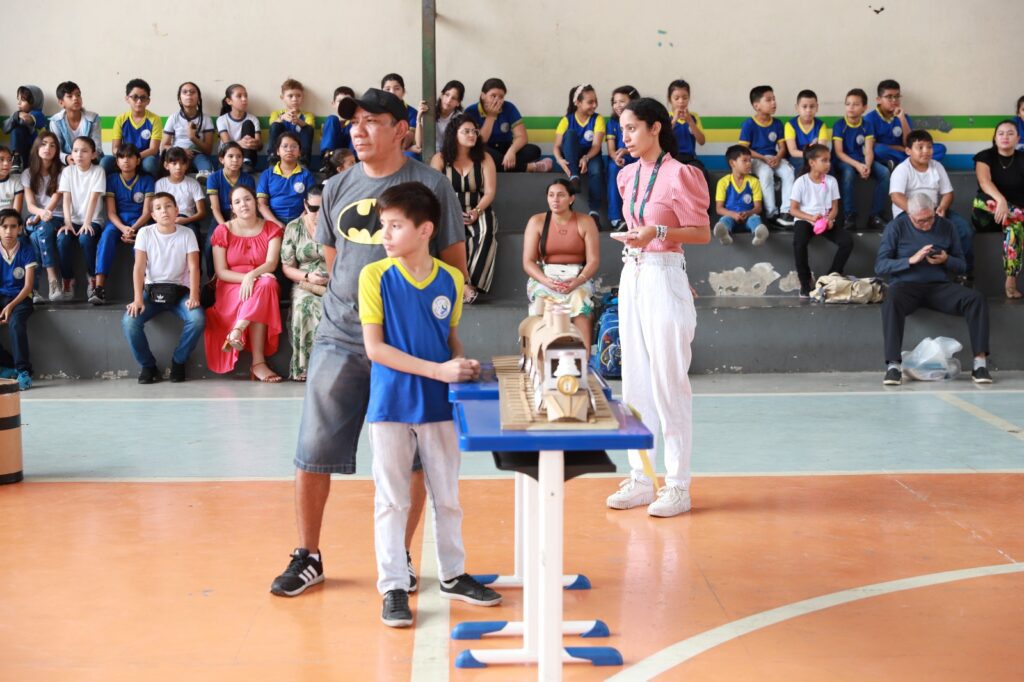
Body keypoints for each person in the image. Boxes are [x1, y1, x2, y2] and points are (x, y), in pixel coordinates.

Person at [270, 88, 468, 598]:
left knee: (417, 457)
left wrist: (439, 342)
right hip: (340, 337)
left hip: (413, 348)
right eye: (353, 122)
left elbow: (453, 270)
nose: (357, 130)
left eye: (371, 121)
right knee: (313, 447)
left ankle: (398, 556)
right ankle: (308, 554)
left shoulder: (432, 185)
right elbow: (337, 267)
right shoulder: (336, 186)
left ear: (401, 128)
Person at [359, 181, 501, 627]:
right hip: (391, 404)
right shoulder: (374, 276)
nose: (385, 234)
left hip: (440, 403)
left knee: (448, 496)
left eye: (395, 225)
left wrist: (461, 363)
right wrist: (439, 371)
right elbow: (375, 349)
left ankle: (453, 574)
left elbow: (448, 338)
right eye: (384, 225)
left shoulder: (451, 279)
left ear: (425, 230)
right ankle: (394, 587)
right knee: (392, 499)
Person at [605, 97, 710, 518]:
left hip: (665, 273)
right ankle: (642, 477)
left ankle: (678, 484)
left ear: (654, 128)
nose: (624, 137)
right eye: (622, 129)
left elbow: (701, 233)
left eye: (631, 128)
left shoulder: (682, 175)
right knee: (636, 382)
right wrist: (638, 236)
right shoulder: (627, 176)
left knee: (669, 381)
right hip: (633, 273)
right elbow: (639, 227)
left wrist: (658, 230)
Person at [876, 192, 991, 386]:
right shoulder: (896, 226)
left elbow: (962, 265)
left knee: (976, 299)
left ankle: (980, 363)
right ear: (910, 216)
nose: (927, 225)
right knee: (891, 300)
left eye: (930, 219)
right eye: (920, 221)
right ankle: (893, 365)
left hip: (939, 286)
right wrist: (910, 261)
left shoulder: (947, 226)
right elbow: (880, 266)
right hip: (906, 286)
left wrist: (946, 259)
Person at [122, 192, 204, 384]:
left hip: (180, 292)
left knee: (197, 319)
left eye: (168, 206)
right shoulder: (145, 233)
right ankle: (148, 366)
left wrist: (194, 295)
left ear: (177, 211)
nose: (164, 211)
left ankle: (178, 361)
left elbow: (194, 267)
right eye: (158, 208)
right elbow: (139, 268)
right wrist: (137, 298)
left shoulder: (187, 233)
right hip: (152, 291)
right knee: (129, 322)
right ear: (153, 214)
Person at [204, 184, 284, 382]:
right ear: (232, 207)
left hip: (261, 278)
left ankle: (237, 330)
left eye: (247, 199)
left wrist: (253, 275)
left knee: (267, 285)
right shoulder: (223, 231)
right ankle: (258, 363)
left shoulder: (271, 228)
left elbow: (271, 263)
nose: (243, 204)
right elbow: (221, 272)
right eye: (237, 202)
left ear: (256, 201)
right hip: (231, 285)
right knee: (264, 287)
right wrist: (247, 278)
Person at [890, 130, 974, 283]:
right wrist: (915, 213)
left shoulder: (937, 166)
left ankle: (964, 274)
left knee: (964, 230)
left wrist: (942, 207)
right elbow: (896, 196)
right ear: (908, 151)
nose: (926, 151)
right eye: (920, 147)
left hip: (935, 211)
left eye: (929, 147)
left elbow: (948, 193)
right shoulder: (902, 170)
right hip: (908, 213)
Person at [430, 114, 498, 302]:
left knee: (485, 232)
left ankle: (471, 284)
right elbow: (434, 191)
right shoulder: (440, 158)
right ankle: (463, 285)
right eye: (466, 131)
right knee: (449, 237)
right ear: (454, 135)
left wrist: (476, 211)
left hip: (479, 207)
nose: (472, 135)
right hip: (447, 208)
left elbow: (490, 192)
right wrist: (450, 212)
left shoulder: (485, 158)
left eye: (474, 132)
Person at [522, 178, 600, 342]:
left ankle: (583, 360)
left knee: (580, 304)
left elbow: (593, 260)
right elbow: (528, 261)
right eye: (551, 195)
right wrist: (547, 281)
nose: (555, 200)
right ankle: (542, 358)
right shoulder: (536, 221)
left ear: (571, 198)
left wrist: (578, 280)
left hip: (577, 277)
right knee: (542, 304)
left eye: (561, 195)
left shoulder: (585, 221)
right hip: (545, 277)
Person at [96, 144, 155, 305]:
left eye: (130, 157)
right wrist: (123, 228)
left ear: (138, 161)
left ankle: (145, 290)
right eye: (122, 157)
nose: (126, 160)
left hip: (140, 222)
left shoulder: (147, 180)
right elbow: (111, 212)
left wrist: (134, 229)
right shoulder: (112, 180)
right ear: (116, 162)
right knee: (107, 235)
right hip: (118, 222)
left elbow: (147, 212)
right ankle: (99, 287)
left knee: (144, 240)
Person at [789, 144, 850, 297]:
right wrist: (810, 217)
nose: (829, 164)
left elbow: (835, 207)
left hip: (824, 221)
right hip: (805, 220)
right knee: (799, 243)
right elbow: (793, 210)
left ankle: (830, 277)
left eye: (829, 160)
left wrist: (829, 219)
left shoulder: (831, 181)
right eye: (824, 160)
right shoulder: (801, 182)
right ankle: (805, 282)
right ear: (812, 162)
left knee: (847, 242)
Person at [972, 119, 1024, 298]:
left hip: (1014, 216)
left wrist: (1009, 208)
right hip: (987, 215)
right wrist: (1000, 200)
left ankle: (1010, 279)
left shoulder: (1022, 159)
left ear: (1018, 138)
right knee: (984, 201)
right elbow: (984, 181)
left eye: (1010, 133)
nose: (1005, 137)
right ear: (994, 137)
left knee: (1015, 224)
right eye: (1001, 133)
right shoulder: (984, 156)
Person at [281, 184, 328, 381]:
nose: (318, 213)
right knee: (305, 306)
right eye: (314, 208)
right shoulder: (294, 227)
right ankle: (306, 369)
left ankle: (332, 369)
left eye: (323, 208)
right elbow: (287, 267)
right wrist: (308, 277)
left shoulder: (339, 225)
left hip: (335, 280)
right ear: (305, 205)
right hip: (304, 281)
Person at [463, 78, 551, 173]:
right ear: (483, 96)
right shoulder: (471, 111)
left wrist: (511, 151)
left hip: (506, 147)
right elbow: (480, 141)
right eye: (493, 96)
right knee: (480, 152)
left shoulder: (509, 107)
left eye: (501, 97)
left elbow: (522, 137)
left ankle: (500, 165)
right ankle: (530, 167)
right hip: (486, 148)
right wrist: (491, 116)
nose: (497, 100)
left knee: (534, 150)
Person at [57, 136, 106, 302]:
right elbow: (66, 199)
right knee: (62, 239)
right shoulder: (67, 171)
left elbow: (93, 199)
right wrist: (67, 222)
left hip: (93, 219)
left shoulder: (98, 171)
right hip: (73, 219)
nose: (79, 154)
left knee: (85, 238)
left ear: (93, 154)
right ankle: (68, 279)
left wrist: (86, 222)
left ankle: (92, 277)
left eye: (84, 151)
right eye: (75, 150)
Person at [833, 88, 889, 230]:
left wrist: (868, 166)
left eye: (856, 104)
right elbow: (839, 153)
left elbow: (869, 150)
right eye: (848, 104)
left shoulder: (867, 125)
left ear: (864, 108)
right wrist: (858, 166)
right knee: (849, 173)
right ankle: (849, 216)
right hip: (843, 161)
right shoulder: (839, 125)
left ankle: (875, 215)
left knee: (884, 173)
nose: (851, 107)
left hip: (860, 160)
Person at [739, 85, 795, 227]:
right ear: (757, 105)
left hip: (773, 158)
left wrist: (777, 157)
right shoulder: (749, 124)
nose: (774, 103)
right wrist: (764, 158)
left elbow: (782, 147)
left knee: (788, 172)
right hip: (756, 159)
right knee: (766, 173)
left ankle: (786, 211)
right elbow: (744, 149)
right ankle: (771, 214)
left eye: (774, 99)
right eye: (769, 100)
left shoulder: (777, 124)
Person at [553, 84, 606, 222]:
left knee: (596, 169)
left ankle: (594, 212)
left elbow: (596, 145)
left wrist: (586, 157)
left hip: (591, 155)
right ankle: (574, 177)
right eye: (590, 102)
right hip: (572, 157)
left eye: (596, 101)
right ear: (577, 103)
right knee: (570, 134)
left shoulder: (598, 119)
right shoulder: (566, 120)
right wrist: (559, 160)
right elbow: (557, 146)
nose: (594, 105)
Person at [22, 132, 64, 302]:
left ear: (57, 150)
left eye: (52, 145)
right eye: (44, 144)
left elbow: (55, 200)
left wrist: (42, 215)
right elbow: (31, 205)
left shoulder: (62, 172)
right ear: (37, 147)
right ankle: (48, 282)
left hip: (56, 216)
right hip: (37, 217)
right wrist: (39, 214)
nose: (48, 148)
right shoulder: (27, 173)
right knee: (37, 232)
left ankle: (39, 286)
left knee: (37, 234)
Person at [865, 79, 946, 167]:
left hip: (906, 152)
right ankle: (913, 163)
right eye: (889, 97)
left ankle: (902, 164)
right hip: (890, 152)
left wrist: (902, 118)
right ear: (879, 100)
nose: (894, 100)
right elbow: (870, 145)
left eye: (897, 96)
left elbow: (909, 143)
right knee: (878, 150)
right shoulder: (870, 118)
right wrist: (898, 148)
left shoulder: (904, 116)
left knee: (940, 148)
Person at [0, 209, 35, 391]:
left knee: (15, 324)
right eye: (4, 226)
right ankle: (6, 365)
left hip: (21, 298)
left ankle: (23, 371)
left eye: (13, 226)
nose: (8, 231)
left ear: (20, 229)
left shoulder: (27, 250)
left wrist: (10, 307)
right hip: (2, 297)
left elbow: (28, 287)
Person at [101, 78, 162, 177]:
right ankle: (108, 191)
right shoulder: (120, 119)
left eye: (143, 98)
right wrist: (126, 157)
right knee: (105, 162)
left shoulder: (155, 119)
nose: (139, 101)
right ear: (127, 99)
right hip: (126, 157)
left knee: (149, 163)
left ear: (148, 101)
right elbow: (115, 148)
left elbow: (153, 149)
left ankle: (152, 189)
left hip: (145, 158)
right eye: (135, 97)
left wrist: (135, 158)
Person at [257, 132, 315, 227]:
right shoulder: (267, 174)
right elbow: (261, 204)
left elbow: (312, 202)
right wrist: (276, 223)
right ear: (278, 151)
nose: (289, 150)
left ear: (299, 152)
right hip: (272, 220)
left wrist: (301, 220)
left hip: (300, 220)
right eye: (285, 146)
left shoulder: (306, 175)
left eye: (294, 147)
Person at [712, 145, 767, 246]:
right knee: (724, 220)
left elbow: (758, 208)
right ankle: (724, 234)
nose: (749, 164)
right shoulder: (723, 182)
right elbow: (719, 209)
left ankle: (759, 234)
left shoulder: (754, 181)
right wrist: (733, 215)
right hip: (731, 217)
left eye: (750, 160)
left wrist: (748, 213)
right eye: (745, 160)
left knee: (754, 219)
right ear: (732, 163)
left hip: (748, 217)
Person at [160, 82, 215, 178]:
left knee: (207, 170)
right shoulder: (173, 118)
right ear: (179, 99)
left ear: (198, 98)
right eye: (185, 92)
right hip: (177, 154)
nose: (189, 94)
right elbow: (163, 146)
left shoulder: (206, 119)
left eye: (192, 92)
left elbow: (208, 150)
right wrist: (181, 150)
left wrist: (193, 138)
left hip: (197, 154)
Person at [155, 147, 207, 247]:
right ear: (166, 165)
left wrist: (186, 220)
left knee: (193, 236)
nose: (178, 167)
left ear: (186, 165)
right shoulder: (160, 184)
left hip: (188, 219)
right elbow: (157, 207)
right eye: (174, 164)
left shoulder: (193, 183)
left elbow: (202, 212)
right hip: (166, 219)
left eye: (182, 163)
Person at [606, 85, 640, 230]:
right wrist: (617, 157)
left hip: (637, 156)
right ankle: (616, 219)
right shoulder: (612, 123)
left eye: (622, 101)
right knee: (613, 168)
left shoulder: (640, 120)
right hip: (620, 159)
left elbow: (642, 144)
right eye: (614, 102)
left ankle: (639, 217)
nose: (617, 106)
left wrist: (627, 151)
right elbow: (611, 150)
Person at [49, 81, 102, 167]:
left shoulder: (93, 118)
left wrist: (84, 158)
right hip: (66, 161)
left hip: (89, 160)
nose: (75, 98)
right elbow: (56, 148)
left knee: (106, 162)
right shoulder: (56, 121)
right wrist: (66, 158)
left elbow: (97, 147)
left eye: (78, 95)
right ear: (61, 102)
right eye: (70, 96)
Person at [268, 79, 315, 167]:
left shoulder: (308, 115)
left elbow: (310, 128)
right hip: (282, 146)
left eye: (298, 96)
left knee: (308, 128)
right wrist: (282, 118)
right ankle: (273, 156)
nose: (295, 99)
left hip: (298, 146)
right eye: (290, 96)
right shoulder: (276, 113)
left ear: (303, 97)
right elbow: (272, 126)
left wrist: (299, 121)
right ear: (282, 98)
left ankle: (303, 159)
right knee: (275, 125)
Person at [217, 84, 261, 173]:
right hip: (228, 157)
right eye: (239, 96)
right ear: (229, 101)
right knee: (230, 149)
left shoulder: (253, 119)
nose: (244, 99)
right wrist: (240, 143)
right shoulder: (222, 120)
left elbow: (259, 145)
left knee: (248, 123)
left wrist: (254, 143)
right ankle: (243, 163)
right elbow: (226, 144)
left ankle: (246, 162)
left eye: (245, 96)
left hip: (248, 158)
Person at [3, 85, 46, 173]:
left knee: (17, 127)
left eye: (22, 100)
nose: (18, 103)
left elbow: (25, 120)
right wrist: (16, 116)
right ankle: (16, 157)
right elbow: (5, 129)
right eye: (18, 99)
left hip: (33, 150)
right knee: (16, 128)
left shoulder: (38, 114)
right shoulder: (17, 114)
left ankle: (17, 158)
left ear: (33, 101)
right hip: (20, 150)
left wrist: (17, 117)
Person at [784, 89, 830, 170]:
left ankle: (824, 183)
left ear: (817, 108)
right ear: (797, 108)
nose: (808, 110)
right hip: (797, 158)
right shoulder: (790, 125)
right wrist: (809, 156)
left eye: (812, 106)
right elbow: (793, 151)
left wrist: (814, 158)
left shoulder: (821, 125)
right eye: (804, 107)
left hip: (816, 158)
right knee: (805, 163)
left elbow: (822, 149)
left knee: (827, 165)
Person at [415, 80, 464, 155]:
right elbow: (419, 144)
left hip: (449, 155)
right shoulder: (429, 111)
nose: (448, 100)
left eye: (453, 98)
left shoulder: (460, 118)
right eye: (447, 95)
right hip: (428, 153)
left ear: (458, 103)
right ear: (441, 95)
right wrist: (418, 119)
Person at [380, 74, 420, 156]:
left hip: (400, 152)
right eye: (387, 89)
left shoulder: (412, 112)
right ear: (381, 92)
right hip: (380, 151)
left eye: (397, 89)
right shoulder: (376, 112)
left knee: (410, 155)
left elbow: (406, 140)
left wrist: (406, 149)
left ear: (403, 91)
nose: (392, 92)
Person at [320, 86, 356, 172]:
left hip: (350, 153)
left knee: (354, 122)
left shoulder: (354, 122)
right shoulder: (332, 122)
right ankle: (327, 160)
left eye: (347, 102)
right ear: (333, 103)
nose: (343, 104)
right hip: (334, 155)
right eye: (340, 101)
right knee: (332, 118)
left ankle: (354, 162)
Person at [0, 146, 23, 213]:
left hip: (9, 221)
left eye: (9, 160)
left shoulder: (16, 181)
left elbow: (16, 213)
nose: (6, 163)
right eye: (1, 159)